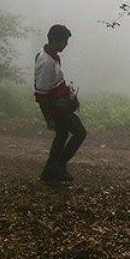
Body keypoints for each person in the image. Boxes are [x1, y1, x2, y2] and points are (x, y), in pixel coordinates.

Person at [34, 24, 86, 182]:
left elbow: (54, 83)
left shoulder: (53, 56)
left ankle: (49, 171)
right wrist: (48, 118)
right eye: (64, 41)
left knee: (62, 134)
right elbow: (41, 93)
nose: (66, 45)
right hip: (56, 108)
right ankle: (58, 165)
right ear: (55, 40)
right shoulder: (46, 61)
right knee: (80, 132)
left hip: (61, 104)